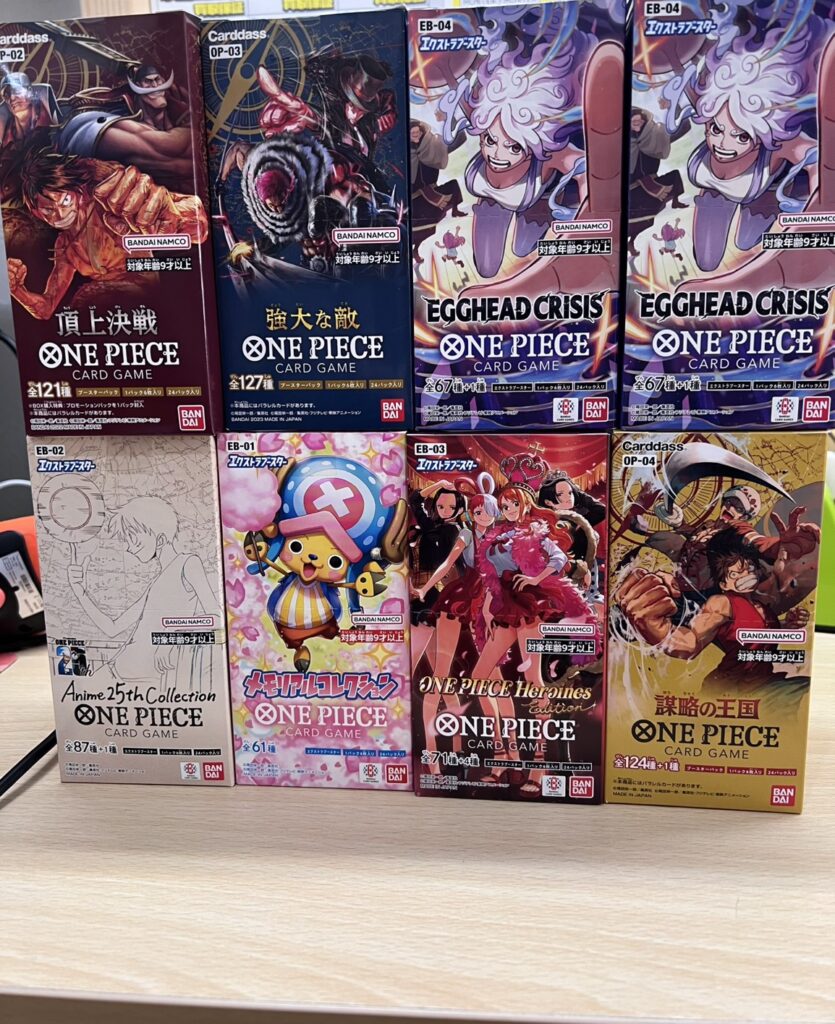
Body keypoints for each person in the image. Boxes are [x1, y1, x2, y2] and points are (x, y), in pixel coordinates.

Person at [7, 146, 207, 320]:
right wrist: (15, 288)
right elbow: (46, 307)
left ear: (78, 194)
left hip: (145, 297)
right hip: (109, 315)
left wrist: (181, 217)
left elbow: (192, 218)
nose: (60, 214)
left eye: (65, 201)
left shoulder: (106, 204)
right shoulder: (64, 246)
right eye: (49, 210)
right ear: (37, 213)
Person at [66, 497, 217, 687]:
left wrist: (171, 639)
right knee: (75, 687)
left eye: (134, 538)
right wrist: (80, 592)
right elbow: (113, 627)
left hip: (143, 678)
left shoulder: (188, 563)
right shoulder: (156, 583)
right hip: (118, 672)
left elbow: (215, 617)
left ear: (160, 538)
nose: (128, 547)